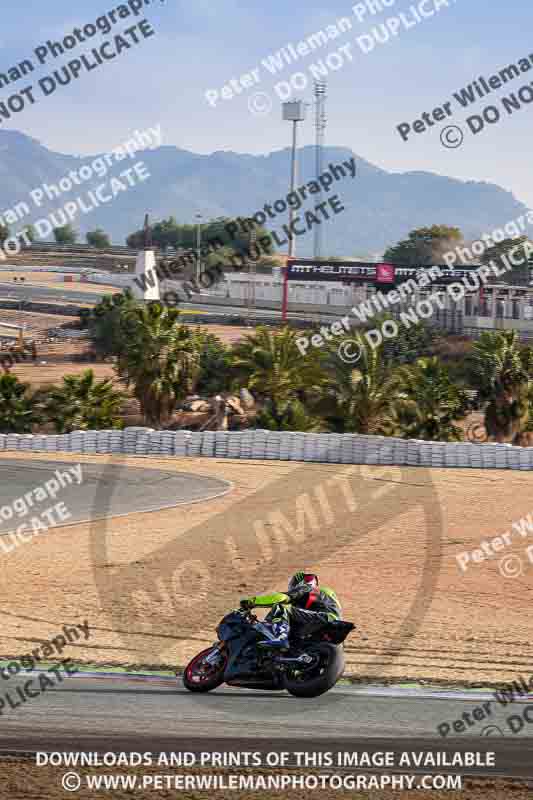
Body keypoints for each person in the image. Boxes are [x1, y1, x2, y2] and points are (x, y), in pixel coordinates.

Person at [240, 571, 341, 650]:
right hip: (330, 626)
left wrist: (252, 602)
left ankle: (281, 638)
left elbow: (281, 598)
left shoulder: (307, 588)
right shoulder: (318, 596)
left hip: (323, 618)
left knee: (281, 608)